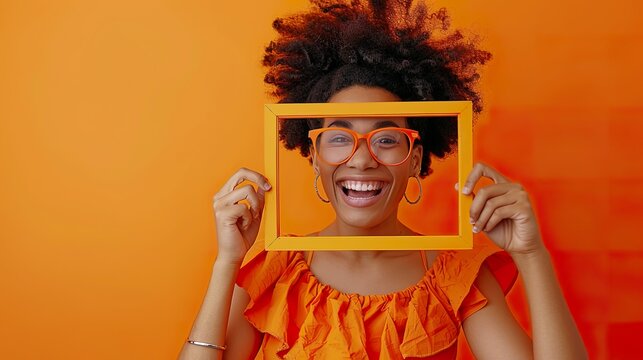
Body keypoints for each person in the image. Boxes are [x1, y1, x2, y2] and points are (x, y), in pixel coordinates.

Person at [178, 1, 588, 359]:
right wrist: (227, 262)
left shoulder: (453, 275)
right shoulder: (274, 273)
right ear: (315, 157)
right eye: (339, 138)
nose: (361, 160)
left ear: (415, 159)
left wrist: (532, 255)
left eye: (387, 139)